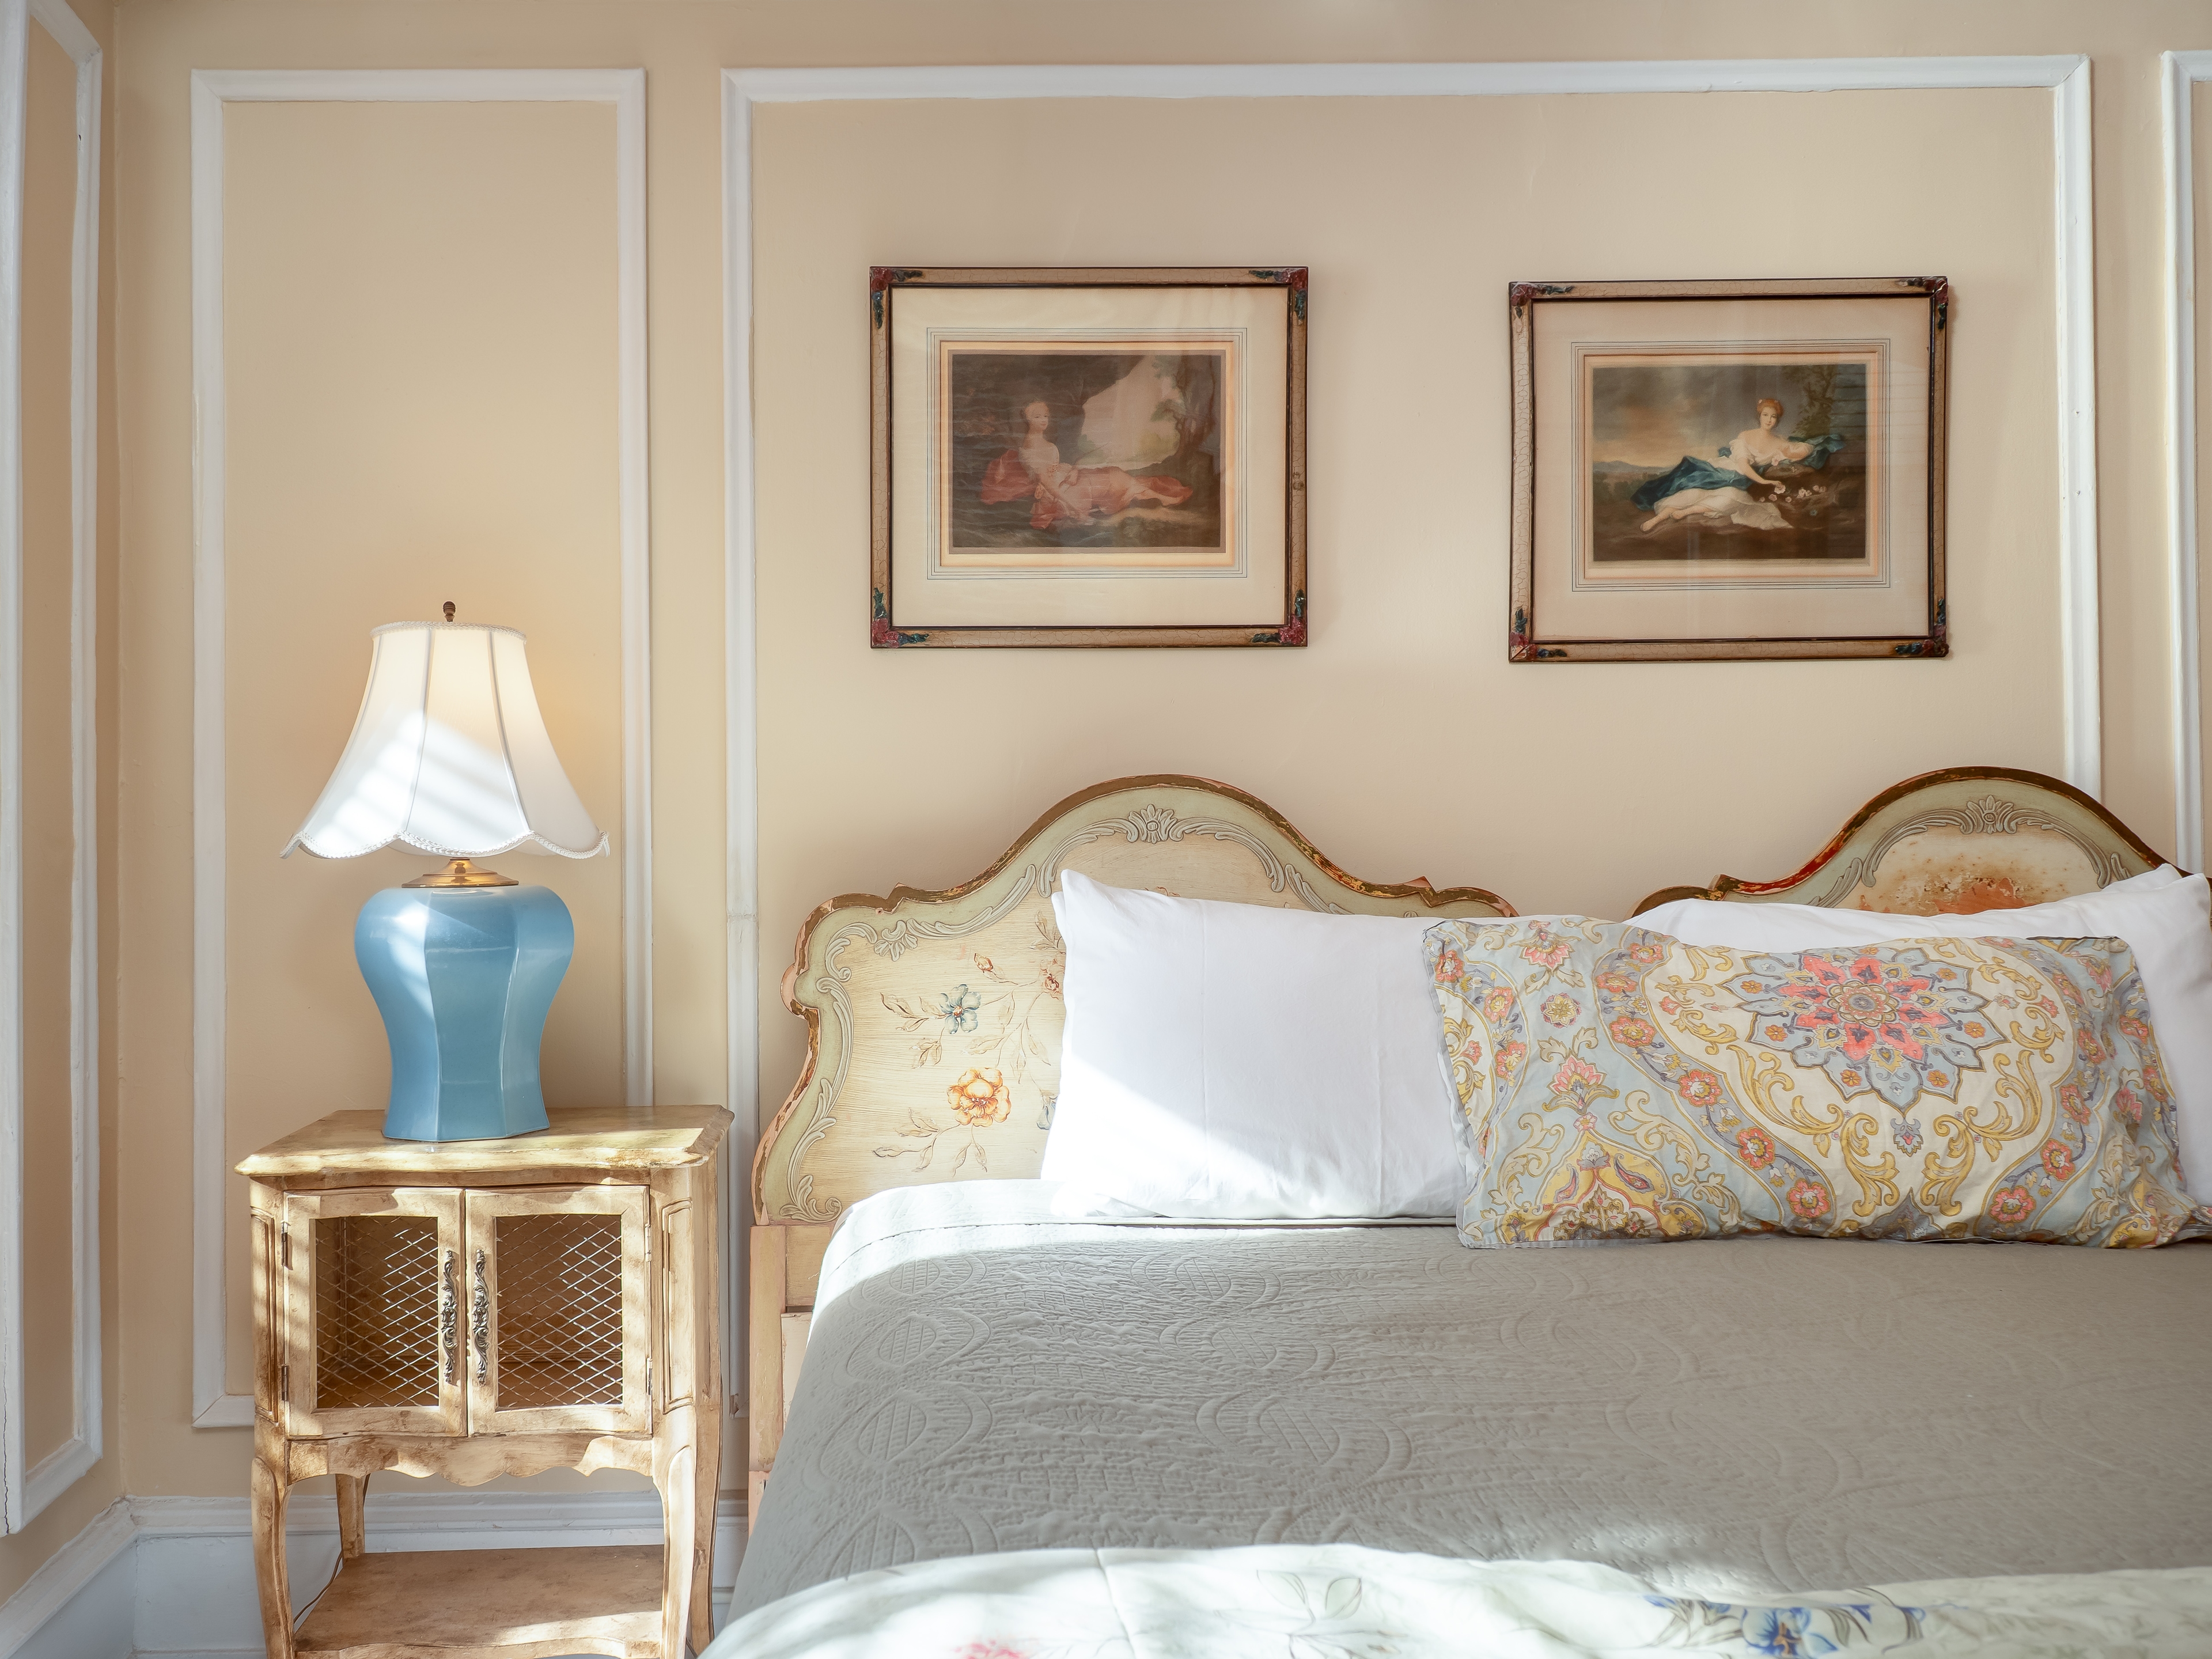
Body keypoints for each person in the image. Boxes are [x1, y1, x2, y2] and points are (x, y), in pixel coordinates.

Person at [1632, 398, 1845, 533]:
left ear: (1777, 420)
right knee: (1692, 492)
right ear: (1759, 416)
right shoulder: (1746, 435)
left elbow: (1801, 449)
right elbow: (1743, 466)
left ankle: (1687, 513)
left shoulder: (1780, 442)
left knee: (1730, 499)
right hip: (1727, 471)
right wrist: (1764, 481)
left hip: (1741, 482)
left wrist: (1798, 451)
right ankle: (1658, 519)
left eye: (1773, 417)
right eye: (1765, 415)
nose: (1769, 420)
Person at [980, 399, 1194, 532]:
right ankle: (1159, 498)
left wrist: (1071, 471)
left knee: (1114, 474)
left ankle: (1161, 498)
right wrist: (1074, 507)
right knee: (1107, 482)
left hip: (1069, 480)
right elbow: (1047, 482)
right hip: (1059, 494)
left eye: (1046, 416)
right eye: (1038, 417)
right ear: (1029, 420)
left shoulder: (1046, 443)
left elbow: (1057, 466)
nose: (1044, 420)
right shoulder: (1029, 450)